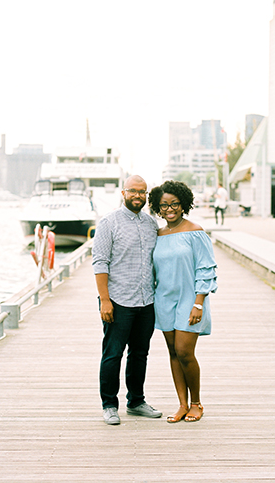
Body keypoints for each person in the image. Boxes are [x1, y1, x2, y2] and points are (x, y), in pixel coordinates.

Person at [92, 175, 162, 425]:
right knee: (112, 354)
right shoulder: (109, 223)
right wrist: (105, 300)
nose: (138, 196)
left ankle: (136, 401)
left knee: (140, 353)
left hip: (146, 301)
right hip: (118, 300)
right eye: (133, 191)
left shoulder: (150, 223)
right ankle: (109, 404)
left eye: (142, 192)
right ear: (123, 193)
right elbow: (100, 261)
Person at [148, 180, 218, 423]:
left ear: (184, 204)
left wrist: (199, 302)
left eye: (175, 204)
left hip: (190, 300)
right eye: (164, 205)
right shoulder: (157, 234)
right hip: (164, 300)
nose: (169, 209)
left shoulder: (195, 232)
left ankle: (197, 402)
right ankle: (182, 404)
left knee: (184, 351)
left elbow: (206, 269)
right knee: (172, 352)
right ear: (157, 208)